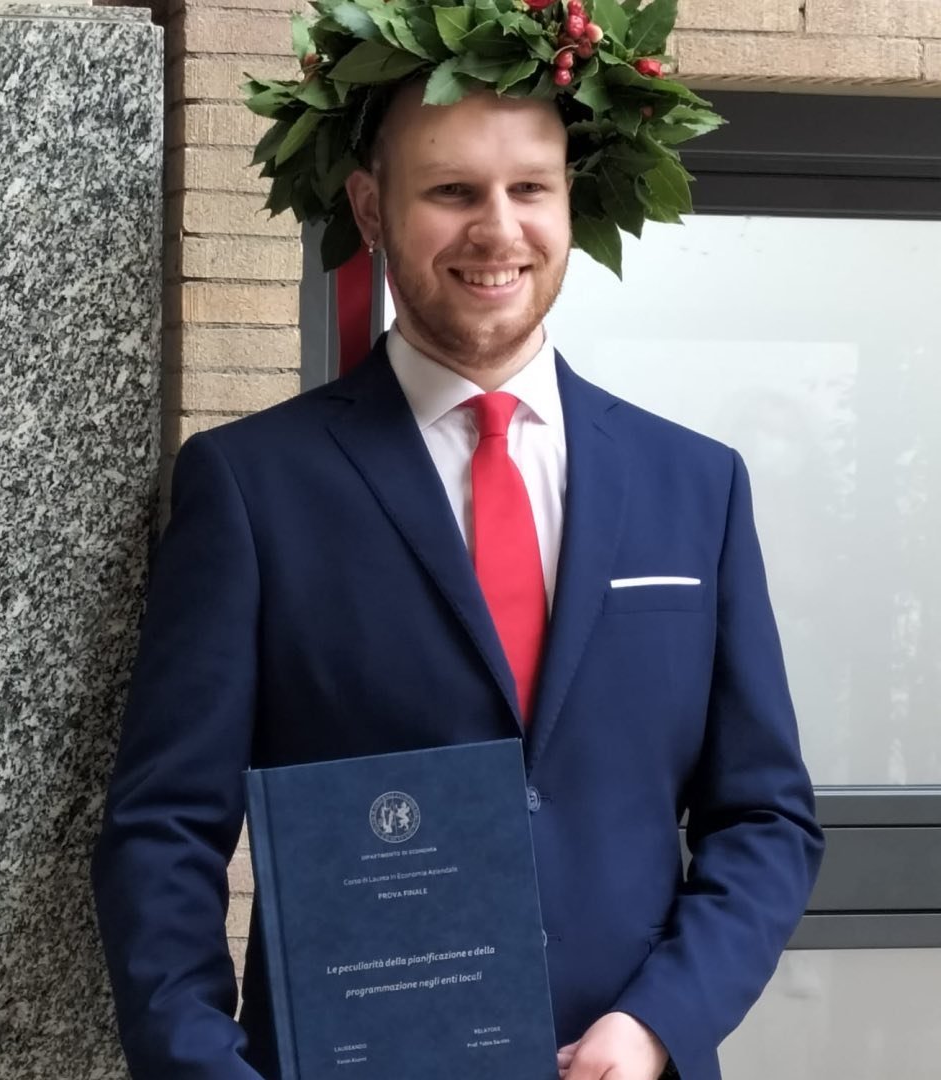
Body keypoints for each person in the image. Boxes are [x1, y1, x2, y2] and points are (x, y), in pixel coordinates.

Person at [92, 4, 824, 1079]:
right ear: (371, 208)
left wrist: (661, 1022)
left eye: (530, 188)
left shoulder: (696, 486)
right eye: (451, 191)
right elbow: (164, 830)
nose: (498, 230)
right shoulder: (252, 489)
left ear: (569, 201)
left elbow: (764, 818)